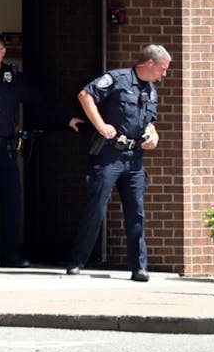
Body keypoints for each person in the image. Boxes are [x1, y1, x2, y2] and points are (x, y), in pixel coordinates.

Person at [0, 34, 80, 267]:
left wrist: (66, 119)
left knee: (12, 202)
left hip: (4, 150)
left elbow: (38, 103)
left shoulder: (14, 79)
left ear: (3, 52)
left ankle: (11, 254)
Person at [66, 44, 171, 282]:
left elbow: (149, 122)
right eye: (162, 69)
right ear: (149, 63)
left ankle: (139, 267)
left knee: (136, 212)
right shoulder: (117, 79)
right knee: (97, 208)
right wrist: (100, 125)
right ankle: (77, 261)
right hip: (109, 155)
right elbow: (85, 95)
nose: (164, 74)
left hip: (134, 159)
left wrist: (153, 135)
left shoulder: (151, 90)